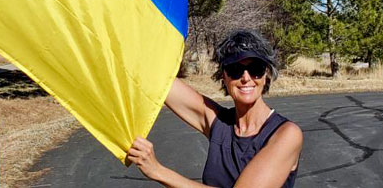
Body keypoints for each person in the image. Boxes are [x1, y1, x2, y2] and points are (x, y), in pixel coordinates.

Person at [127, 29, 303, 187]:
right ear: (223, 77)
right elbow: (159, 80)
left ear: (266, 75)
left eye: (255, 69)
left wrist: (158, 171)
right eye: (235, 69)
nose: (246, 78)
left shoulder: (286, 134)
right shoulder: (221, 124)